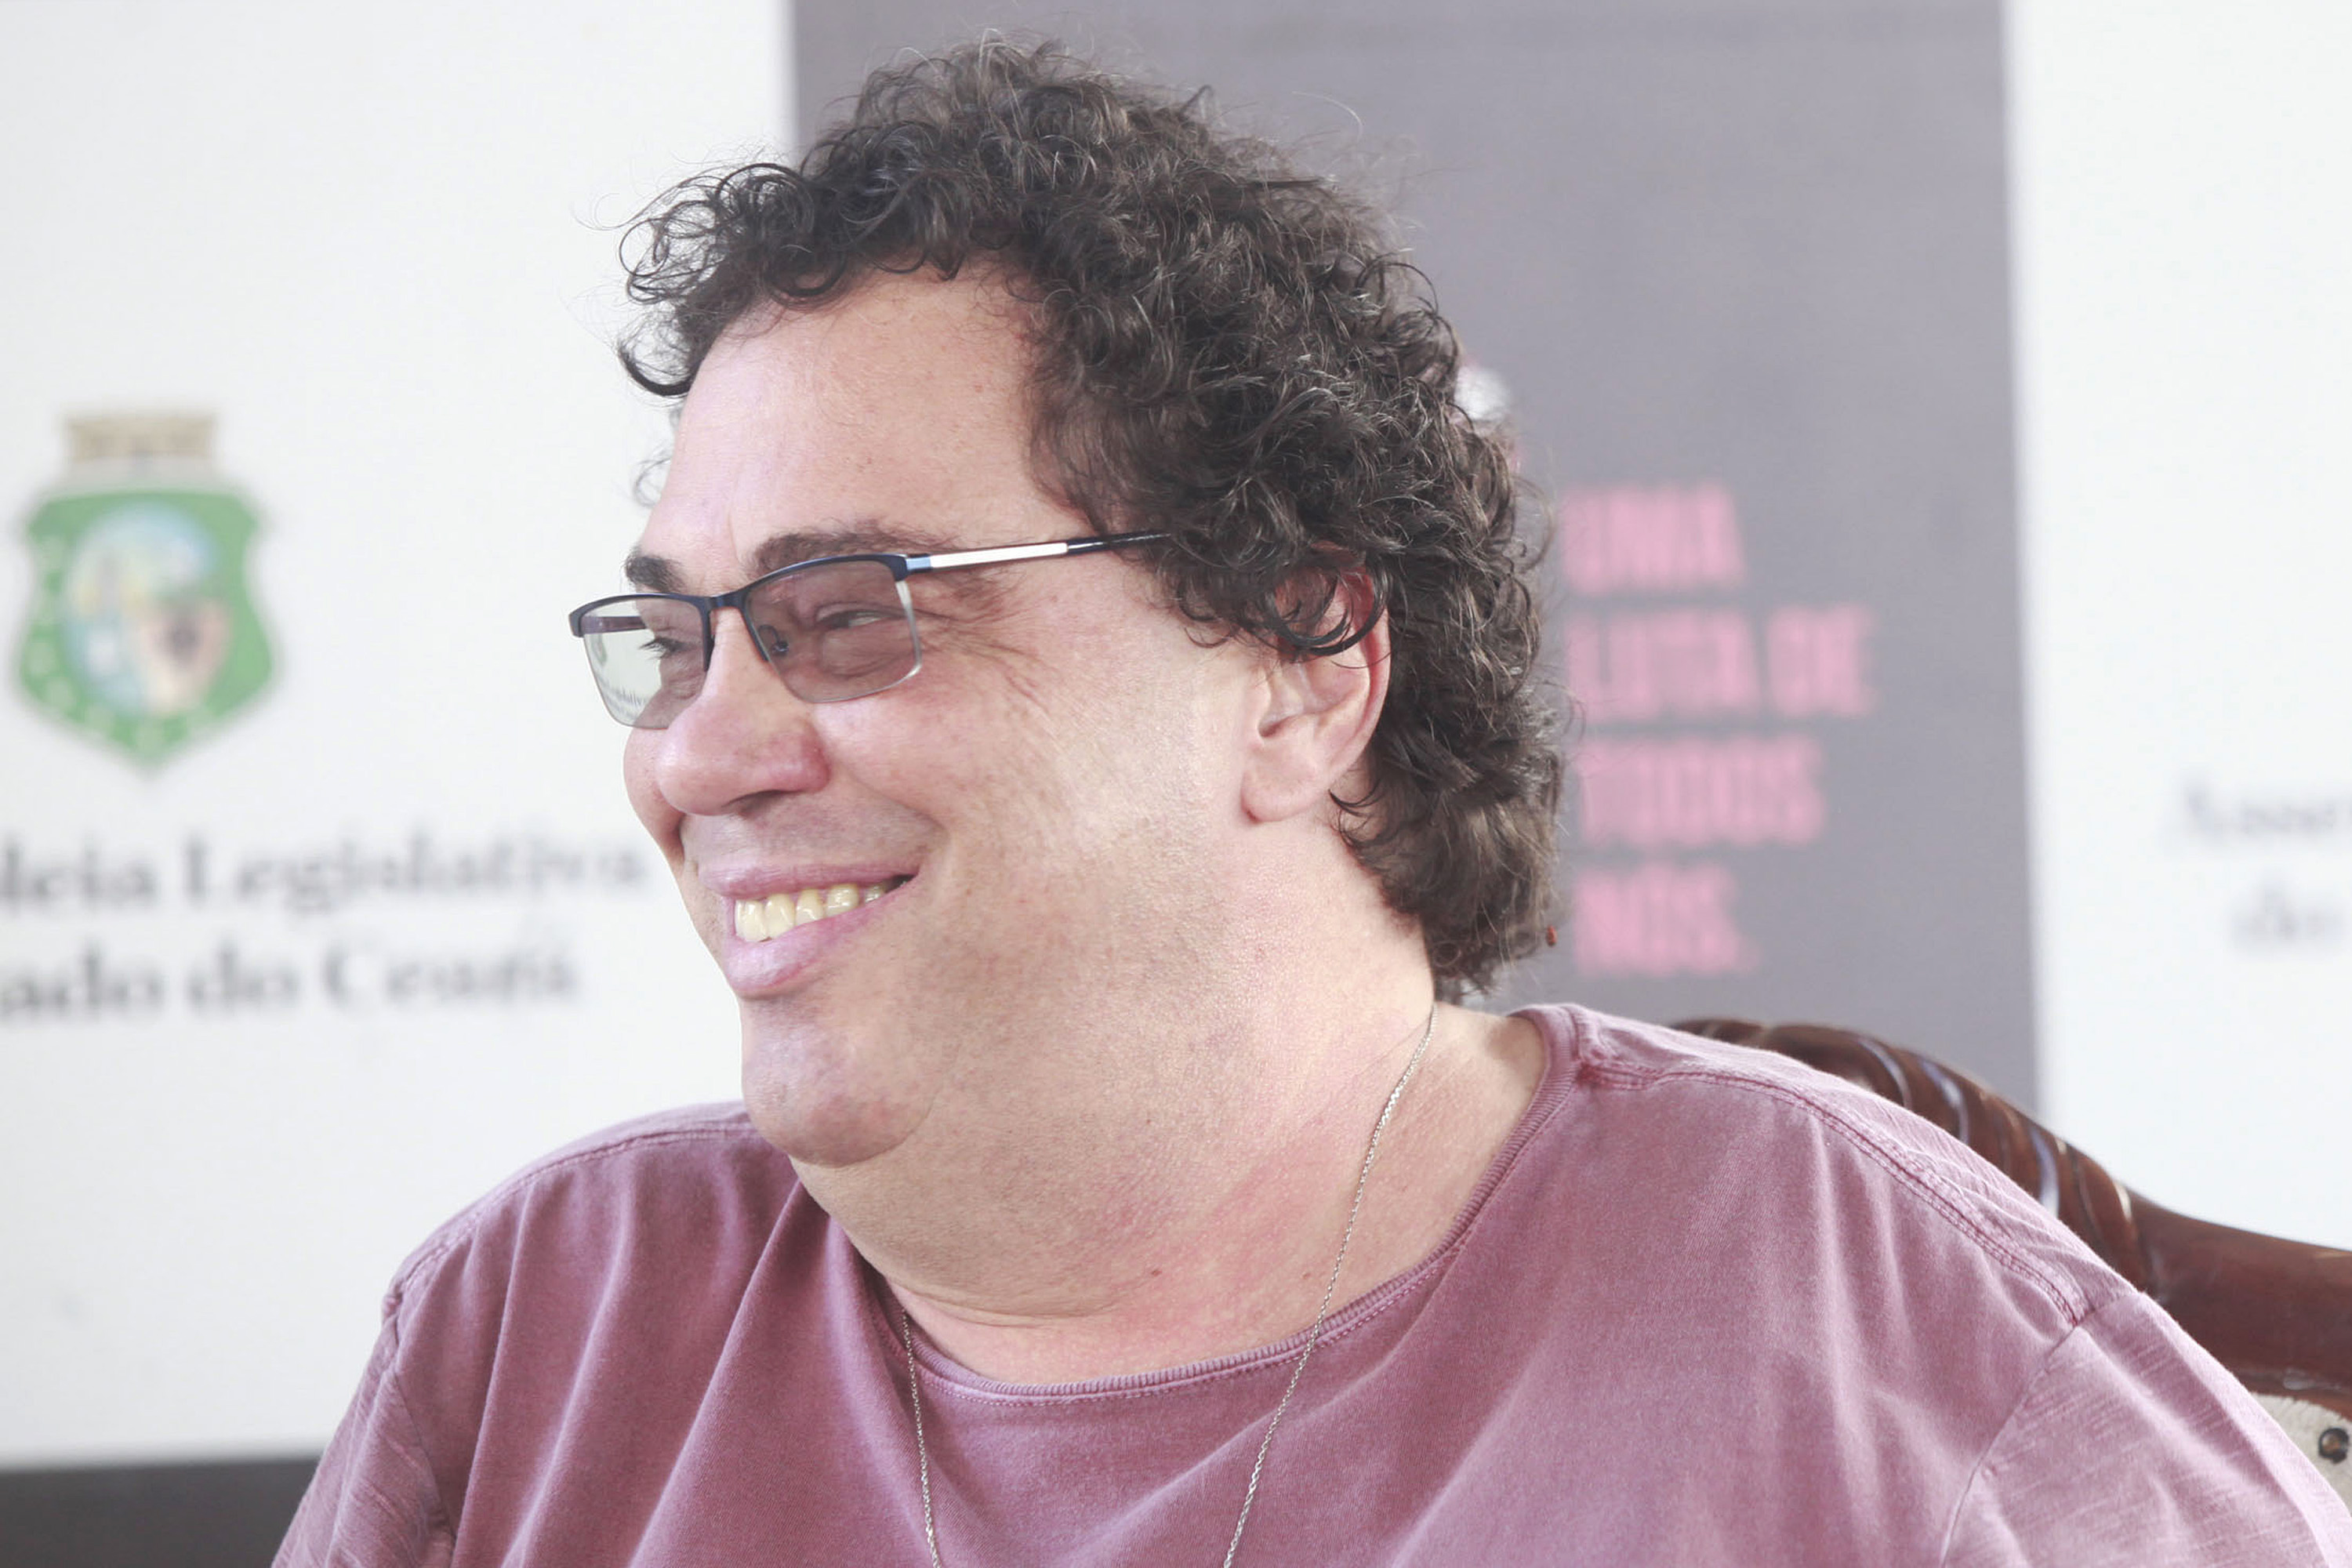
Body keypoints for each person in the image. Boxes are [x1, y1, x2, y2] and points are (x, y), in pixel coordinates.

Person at [278, 40, 2350, 1566]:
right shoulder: (539, 1330)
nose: (700, 753)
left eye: (849, 615)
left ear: (1302, 664)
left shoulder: (1877, 1340)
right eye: (675, 639)